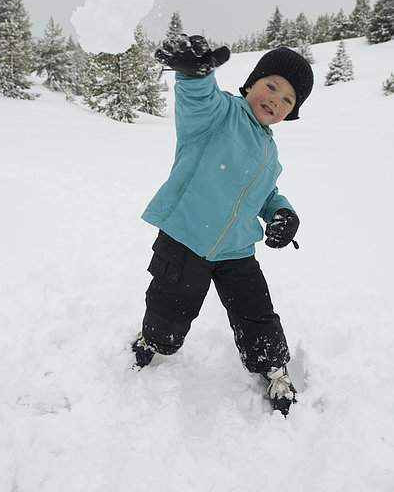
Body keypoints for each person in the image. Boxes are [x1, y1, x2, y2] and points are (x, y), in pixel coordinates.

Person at [132, 35, 314, 416]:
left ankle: (272, 365)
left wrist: (282, 213)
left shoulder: (270, 149)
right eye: (271, 86)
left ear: (291, 112)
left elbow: (266, 192)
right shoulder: (219, 114)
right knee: (170, 304)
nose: (275, 100)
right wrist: (196, 76)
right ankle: (152, 342)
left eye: (287, 100)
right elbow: (198, 100)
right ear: (250, 84)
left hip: (237, 248)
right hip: (186, 237)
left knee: (257, 312)